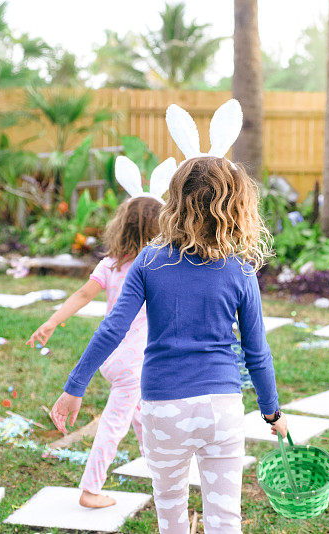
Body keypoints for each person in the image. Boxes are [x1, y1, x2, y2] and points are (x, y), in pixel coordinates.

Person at [50, 148, 288, 533]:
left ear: (175, 201)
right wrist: (272, 412)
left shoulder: (148, 260)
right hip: (221, 409)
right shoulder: (241, 270)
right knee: (225, 520)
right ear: (235, 206)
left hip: (164, 409)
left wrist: (74, 388)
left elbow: (113, 328)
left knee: (172, 519)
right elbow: (257, 353)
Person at [27, 194, 162, 508]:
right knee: (114, 425)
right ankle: (90, 489)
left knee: (141, 415)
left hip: (111, 356)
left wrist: (51, 321)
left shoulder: (110, 264)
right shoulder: (153, 267)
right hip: (134, 360)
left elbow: (82, 294)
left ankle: (158, 471)